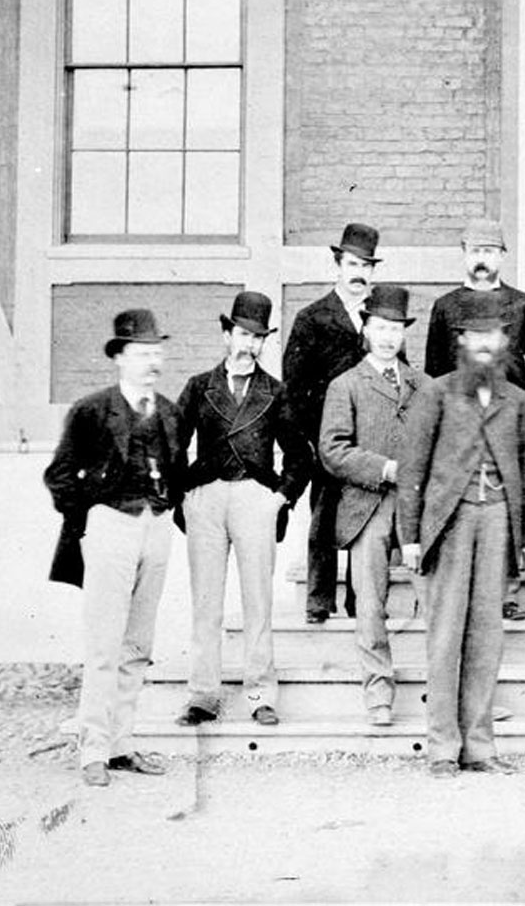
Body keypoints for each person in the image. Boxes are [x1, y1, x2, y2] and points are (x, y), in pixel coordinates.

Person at [396, 295, 525, 777]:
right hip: (450, 522)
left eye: (493, 335)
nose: (484, 344)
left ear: (504, 342)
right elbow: (412, 469)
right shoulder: (435, 394)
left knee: (487, 635)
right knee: (444, 636)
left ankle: (479, 745)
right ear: (460, 340)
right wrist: (411, 535)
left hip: (498, 518)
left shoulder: (515, 399)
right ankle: (442, 746)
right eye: (474, 335)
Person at [43, 308, 185, 786]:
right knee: (104, 644)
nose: (152, 361)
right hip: (110, 527)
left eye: (156, 352)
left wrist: (161, 509)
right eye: (143, 353)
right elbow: (60, 475)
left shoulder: (168, 411)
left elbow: (177, 472)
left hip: (156, 526)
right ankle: (93, 750)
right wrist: (91, 519)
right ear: (120, 358)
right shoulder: (91, 410)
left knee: (138, 644)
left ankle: (122, 743)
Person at [173, 291, 313, 729]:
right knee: (206, 602)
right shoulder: (199, 386)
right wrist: (184, 496)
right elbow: (173, 443)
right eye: (242, 334)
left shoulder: (275, 391)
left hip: (255, 497)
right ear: (225, 334)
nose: (249, 344)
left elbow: (300, 454)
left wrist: (280, 498)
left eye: (258, 337)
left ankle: (260, 694)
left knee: (258, 602)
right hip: (208, 498)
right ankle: (202, 695)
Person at [424, 218, 525, 622]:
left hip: (509, 418)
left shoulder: (524, 305)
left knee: (509, 500)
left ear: (502, 256)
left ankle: (506, 593)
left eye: (489, 251)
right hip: (460, 422)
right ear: (465, 254)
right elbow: (432, 370)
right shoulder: (445, 307)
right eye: (475, 251)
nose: (482, 260)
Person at [319, 284, 425, 726]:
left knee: (438, 599)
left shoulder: (424, 385)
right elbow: (333, 449)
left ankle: (452, 692)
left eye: (396, 328)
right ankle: (378, 694)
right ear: (365, 328)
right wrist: (385, 468)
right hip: (368, 506)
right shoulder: (345, 385)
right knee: (370, 606)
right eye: (380, 327)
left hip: (419, 509)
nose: (387, 337)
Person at [283, 221, 384, 623]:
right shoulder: (312, 318)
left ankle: (361, 602)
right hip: (327, 438)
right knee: (324, 521)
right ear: (337, 266)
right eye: (352, 263)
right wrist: (311, 441)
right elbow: (293, 387)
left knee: (365, 519)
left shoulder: (382, 320)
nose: (359, 273)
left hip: (370, 440)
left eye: (366, 266)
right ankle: (319, 601)